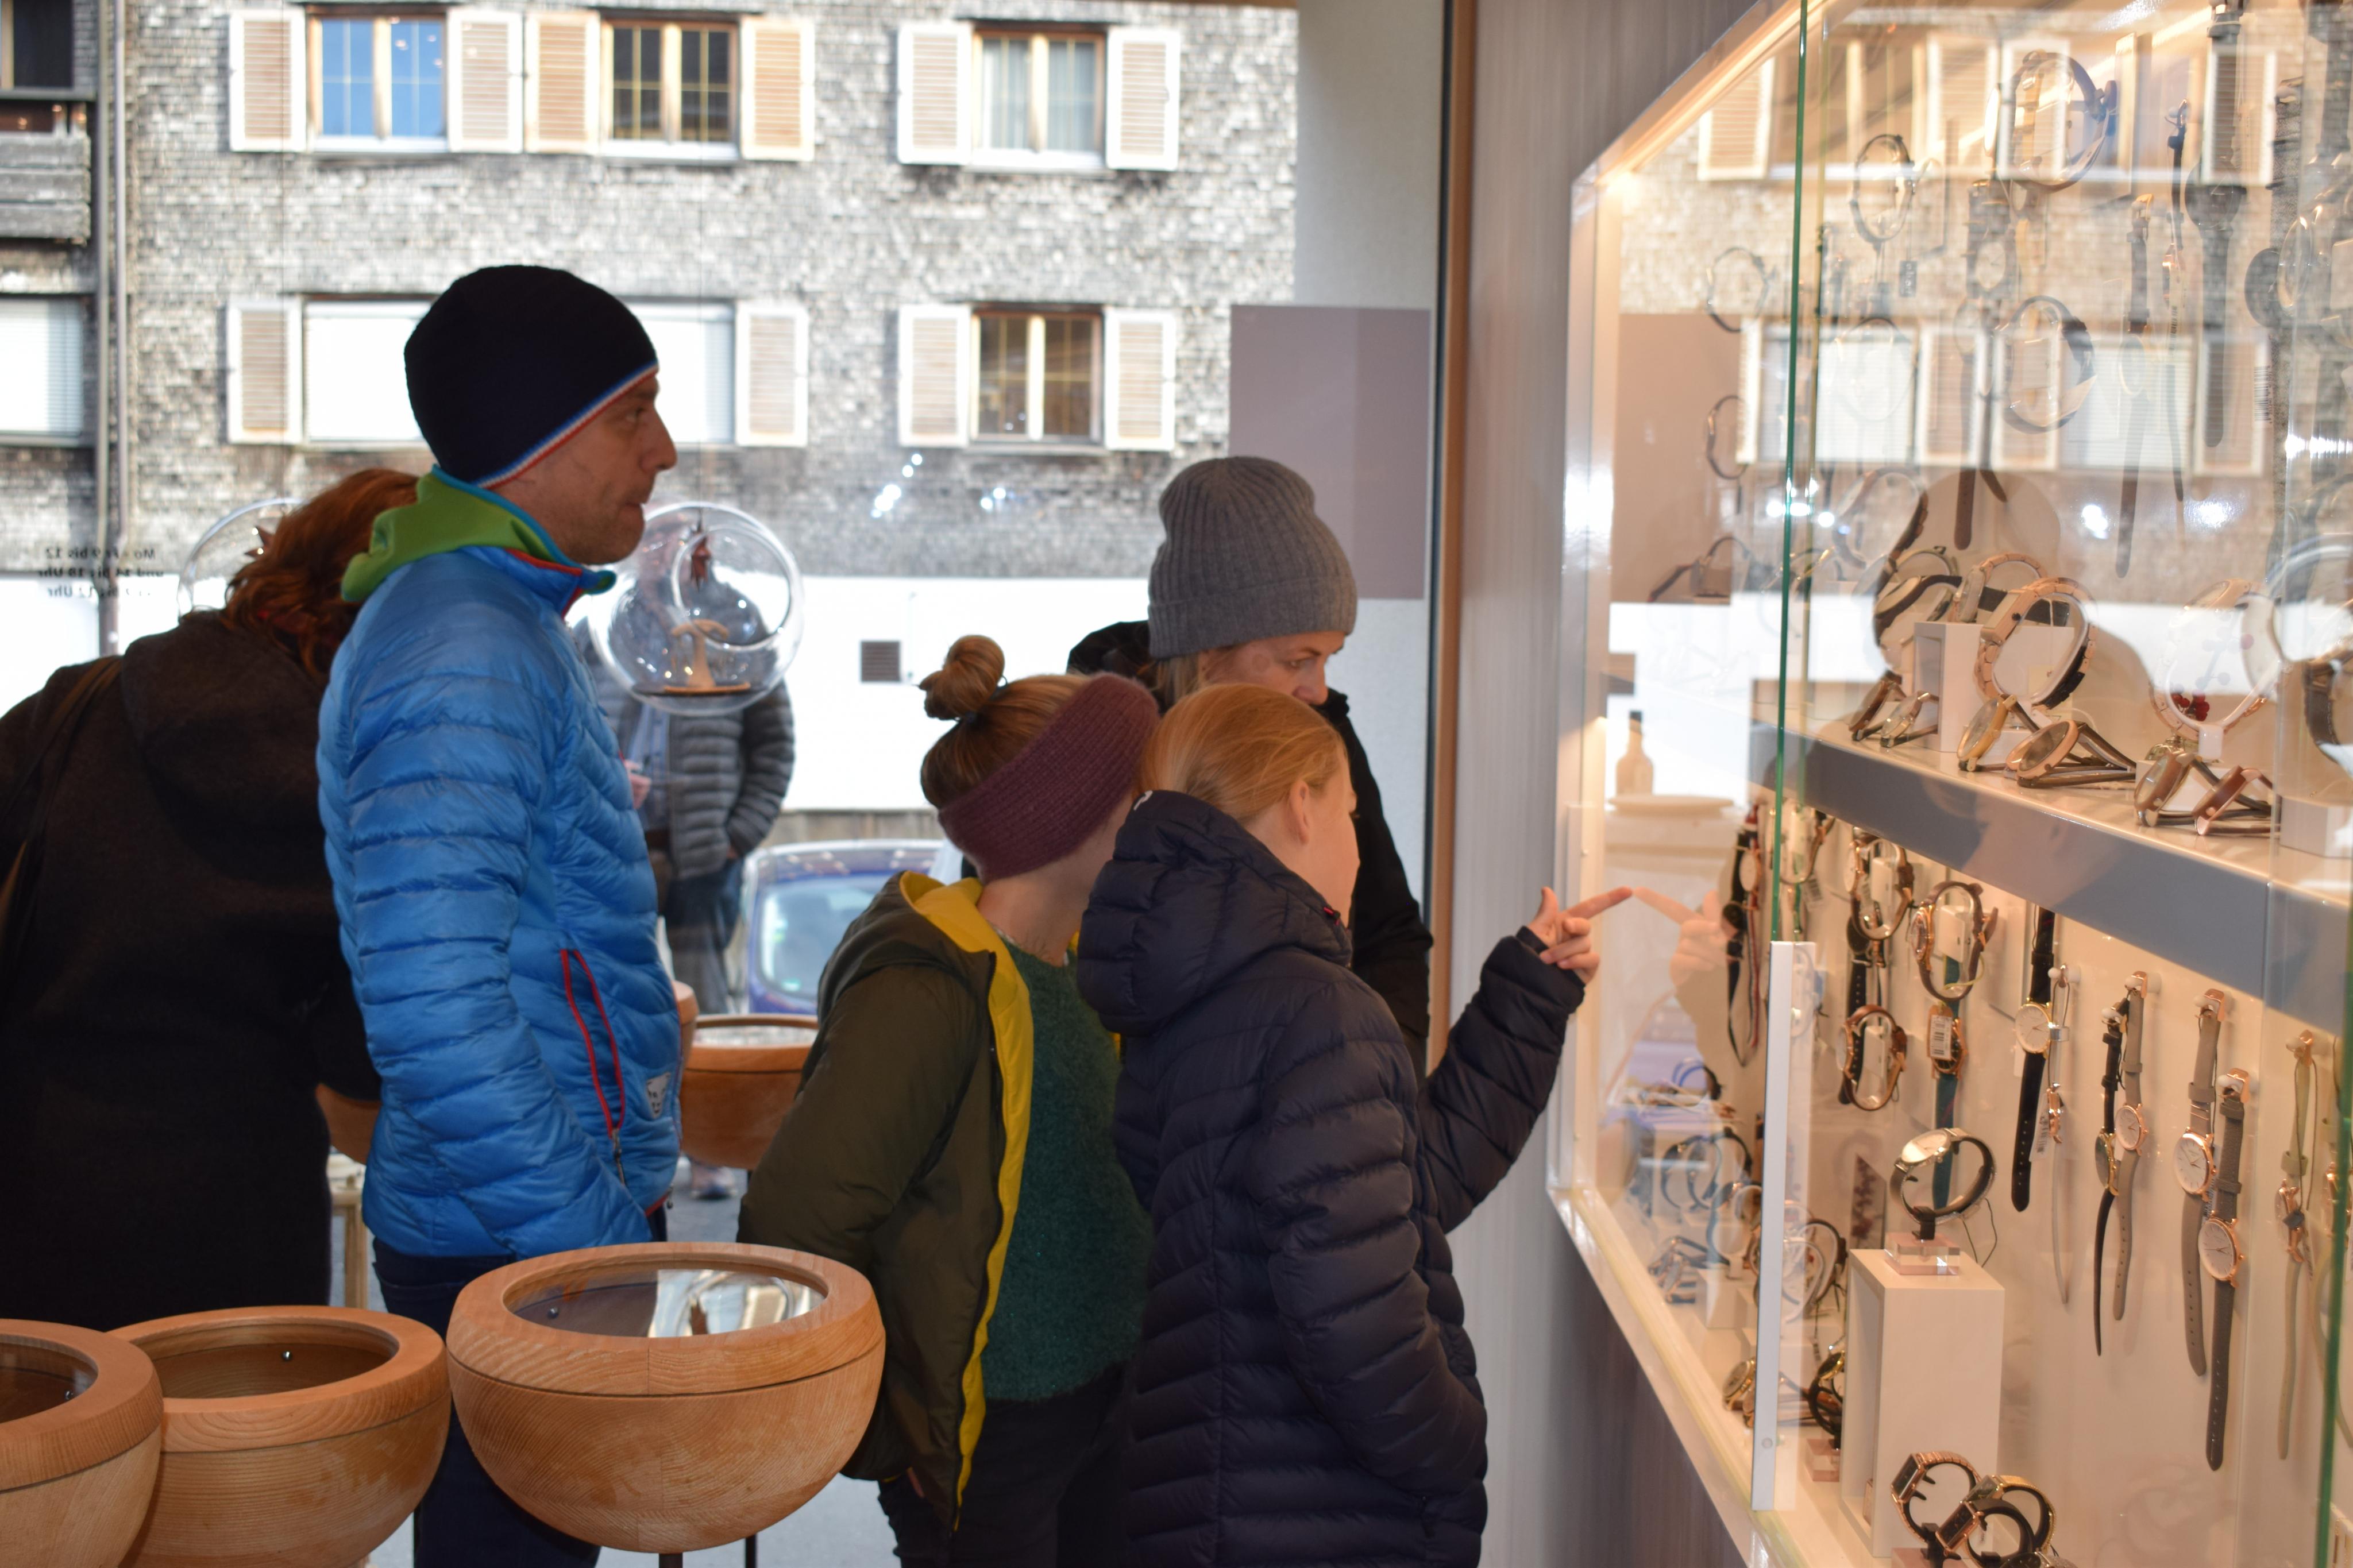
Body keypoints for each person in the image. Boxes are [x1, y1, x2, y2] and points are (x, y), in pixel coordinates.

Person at [1076, 682, 1630, 1568]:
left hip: (1211, 1478)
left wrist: (1530, 990)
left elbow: (1401, 1189)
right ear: (1302, 806)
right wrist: (1452, 1444)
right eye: (1351, 812)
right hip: (1317, 1506)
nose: (1358, 845)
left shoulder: (1188, 996)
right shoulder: (1318, 1009)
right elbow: (1352, 1318)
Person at [316, 265, 681, 1567]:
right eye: (633, 411)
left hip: (517, 1222)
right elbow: (432, 1008)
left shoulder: (499, 614)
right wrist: (589, 1246)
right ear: (543, 432)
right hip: (517, 1240)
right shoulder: (463, 642)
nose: (663, 449)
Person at [738, 635, 1158, 1568]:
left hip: (1105, 1404)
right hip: (995, 1437)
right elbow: (797, 1219)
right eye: (1141, 796)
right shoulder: (929, 991)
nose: (1160, 818)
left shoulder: (1082, 966)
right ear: (1074, 819)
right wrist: (896, 1425)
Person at [0, 470, 403, 1331]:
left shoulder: (80, 702)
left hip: (31, 1183)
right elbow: (356, 1083)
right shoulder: (364, 801)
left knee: (62, 1416)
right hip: (236, 1233)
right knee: (220, 1420)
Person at [1069, 454, 1436, 1064]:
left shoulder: (1319, 732)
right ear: (1209, 652)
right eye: (1298, 660)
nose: (1319, 689)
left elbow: (1388, 931)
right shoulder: (1089, 751)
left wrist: (1386, 1072)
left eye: (1328, 659)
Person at [588, 649, 795, 1199]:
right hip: (617, 850)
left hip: (705, 858)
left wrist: (739, 835)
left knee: (705, 1008)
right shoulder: (609, 633)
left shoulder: (739, 638)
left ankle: (711, 1150)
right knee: (615, 1004)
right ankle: (626, 1148)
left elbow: (774, 748)